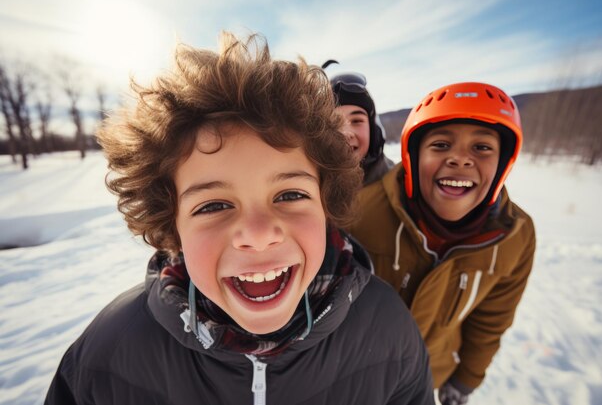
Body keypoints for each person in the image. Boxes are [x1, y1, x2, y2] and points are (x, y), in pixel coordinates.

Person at [44, 32, 434, 405]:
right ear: (171, 223)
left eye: (290, 195)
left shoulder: (388, 330)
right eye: (213, 205)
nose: (259, 234)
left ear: (325, 205)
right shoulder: (108, 354)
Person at [347, 82, 536, 405]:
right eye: (441, 145)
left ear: (504, 162)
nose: (460, 159)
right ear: (412, 156)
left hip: (429, 376)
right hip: (355, 378)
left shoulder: (515, 237)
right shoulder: (359, 214)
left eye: (482, 148)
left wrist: (466, 380)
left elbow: (491, 319)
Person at [330, 71, 394, 186]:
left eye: (356, 121)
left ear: (374, 130)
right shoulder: (306, 187)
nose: (346, 133)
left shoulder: (402, 185)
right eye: (335, 122)